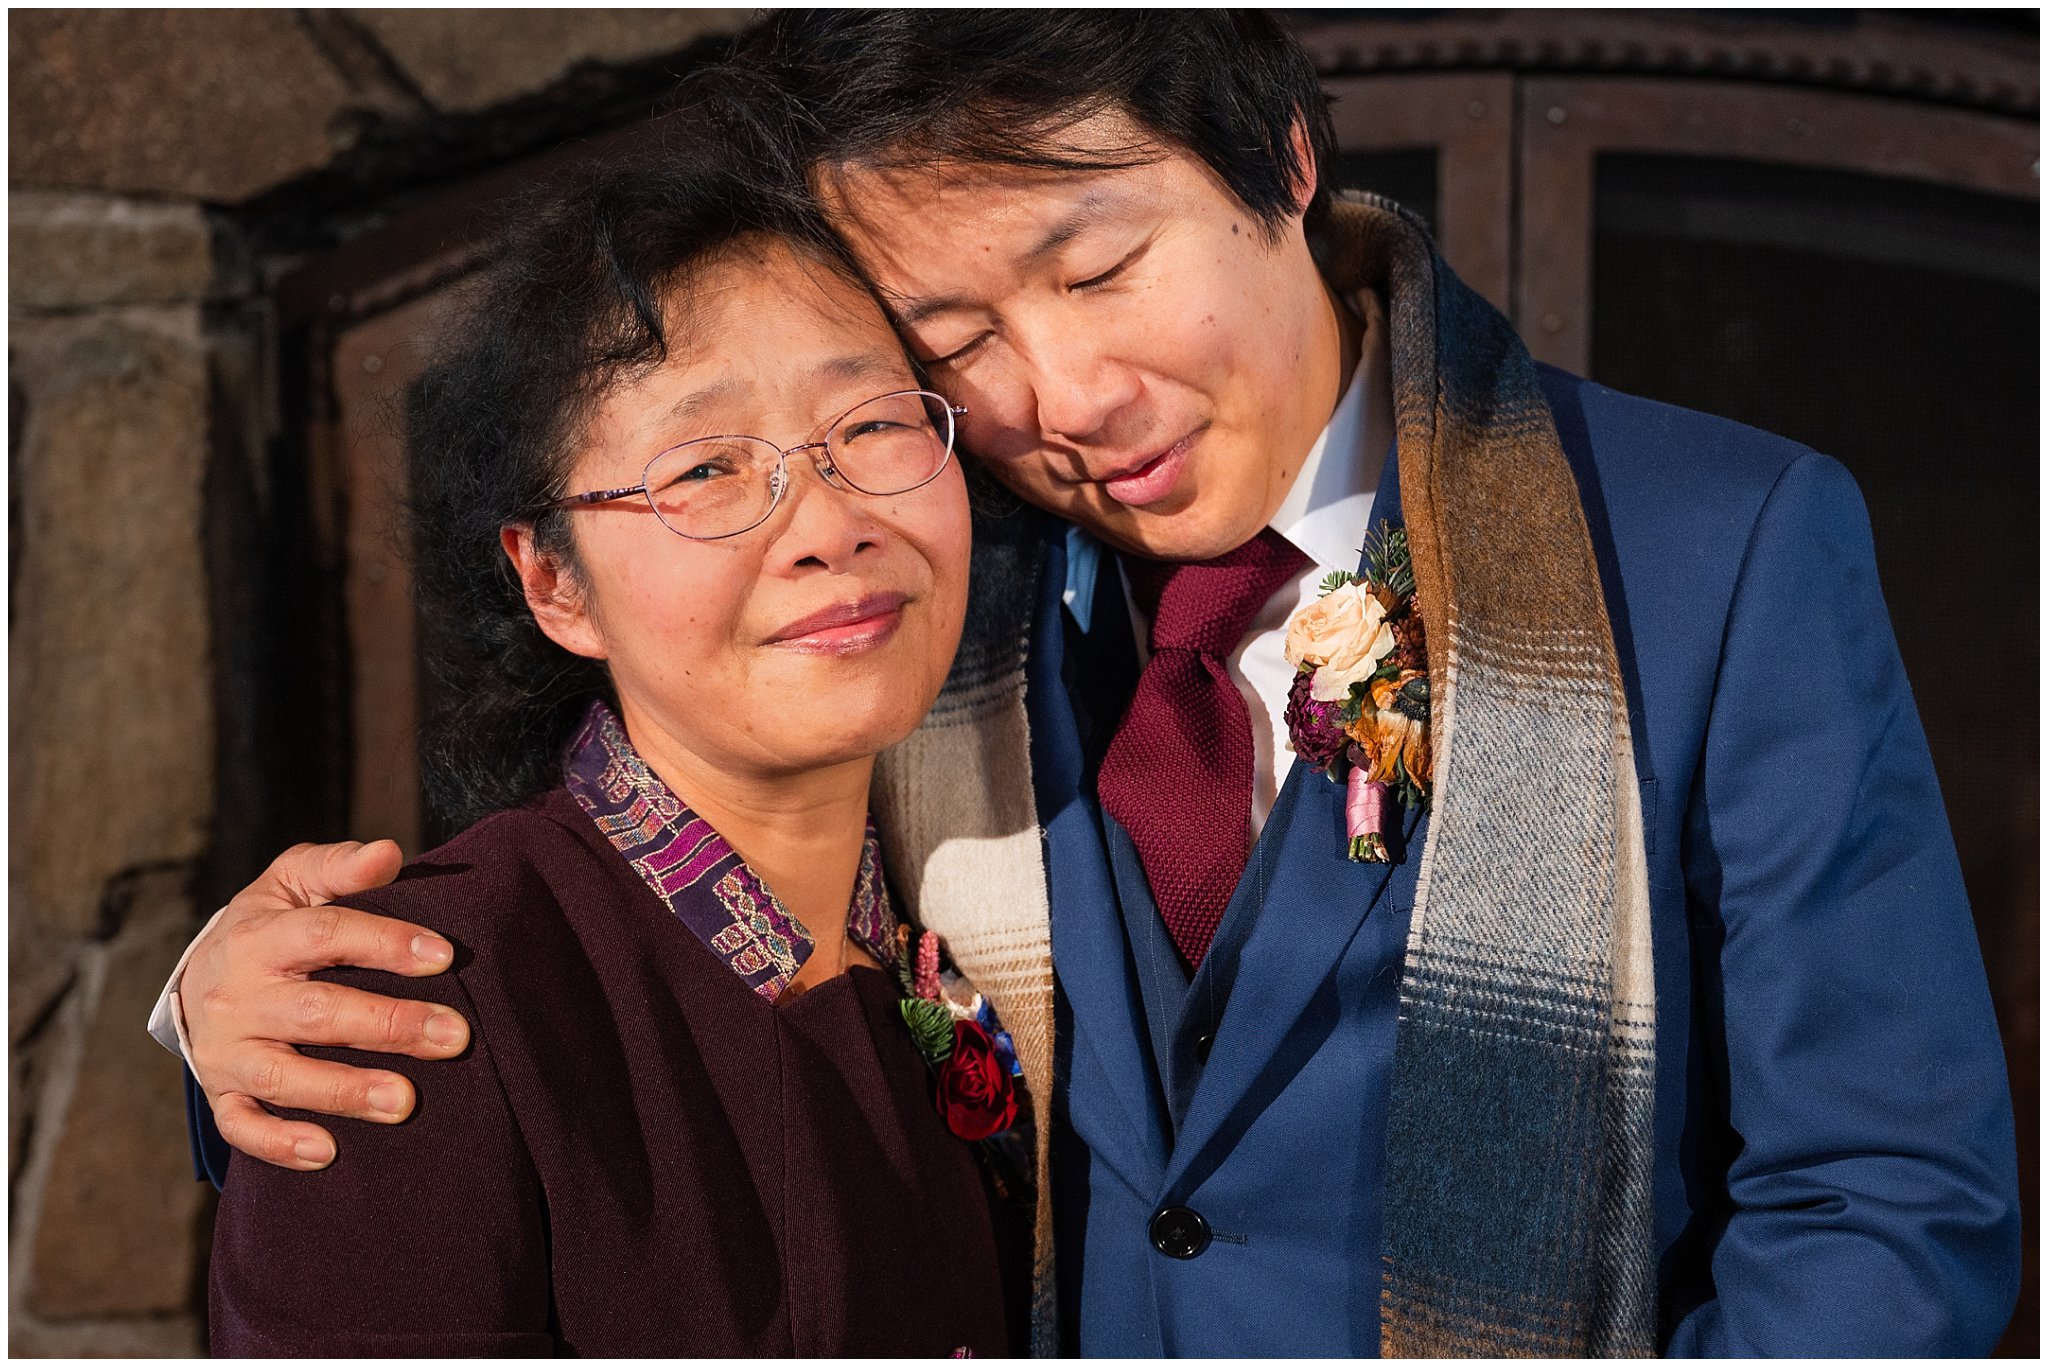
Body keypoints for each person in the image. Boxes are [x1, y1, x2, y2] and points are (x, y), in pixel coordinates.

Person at [155, 11, 2021, 1356]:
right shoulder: (918, 569)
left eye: (1100, 269)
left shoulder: (1720, 542)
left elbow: (1879, 1199)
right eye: (954, 340)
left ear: (1283, 157)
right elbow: (642, 930)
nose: (1054, 399)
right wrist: (222, 1015)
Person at [201, 114, 1029, 1355]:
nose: (826, 525)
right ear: (554, 584)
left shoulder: (962, 908)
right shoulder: (414, 1005)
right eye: (704, 469)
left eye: (869, 427)